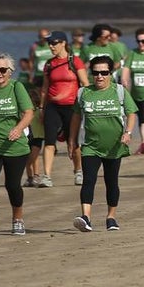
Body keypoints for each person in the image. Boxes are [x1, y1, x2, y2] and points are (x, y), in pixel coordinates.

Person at [69, 54, 138, 232]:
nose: (100, 76)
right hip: (90, 146)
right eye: (96, 73)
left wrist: (128, 133)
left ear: (111, 73)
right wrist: (72, 140)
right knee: (88, 180)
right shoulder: (84, 92)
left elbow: (131, 114)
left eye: (104, 73)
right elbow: (76, 117)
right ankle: (86, 217)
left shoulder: (120, 91)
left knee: (111, 181)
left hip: (114, 146)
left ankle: (111, 217)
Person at [0, 54, 34, 238]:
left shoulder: (16, 87)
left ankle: (18, 219)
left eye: (3, 70)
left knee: (13, 185)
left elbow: (29, 113)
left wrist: (18, 128)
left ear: (10, 72)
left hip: (15, 146)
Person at [40, 30, 88, 187]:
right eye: (49, 43)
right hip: (52, 107)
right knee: (49, 142)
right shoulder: (49, 64)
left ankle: (78, 171)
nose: (51, 46)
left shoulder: (75, 62)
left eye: (54, 43)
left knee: (73, 143)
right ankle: (46, 176)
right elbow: (44, 89)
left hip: (72, 108)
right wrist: (41, 108)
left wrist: (86, 107)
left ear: (63, 43)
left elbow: (85, 85)